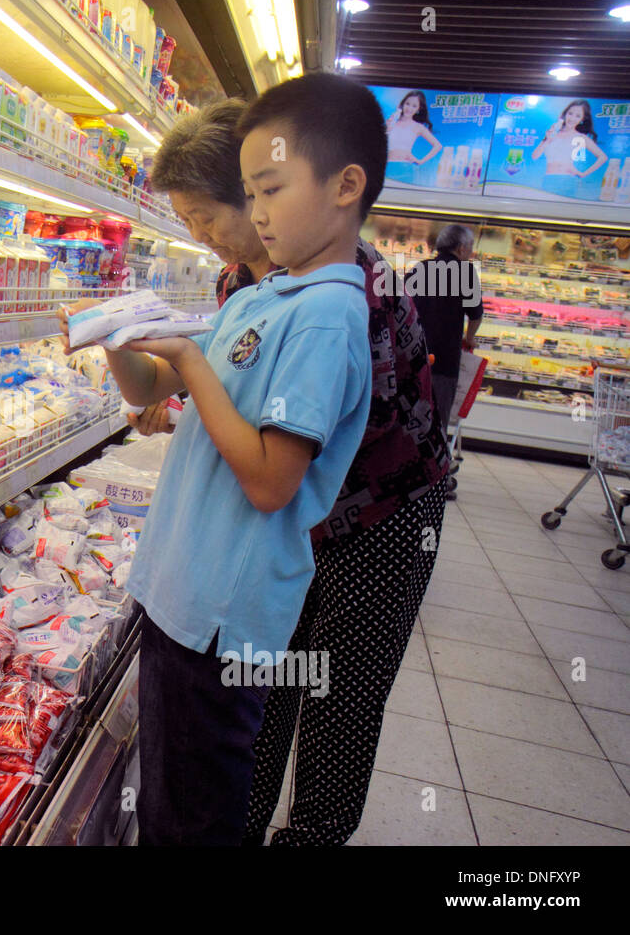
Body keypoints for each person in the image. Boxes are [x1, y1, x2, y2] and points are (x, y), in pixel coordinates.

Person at [60, 73, 382, 845]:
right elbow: (156, 386)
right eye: (251, 194)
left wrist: (194, 367)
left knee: (198, 813)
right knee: (169, 795)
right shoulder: (255, 299)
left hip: (223, 619)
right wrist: (116, 336)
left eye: (270, 191)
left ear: (346, 187)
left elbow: (273, 481)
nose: (256, 214)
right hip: (178, 594)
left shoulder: (328, 317)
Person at [126, 93, 450, 847]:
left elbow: (285, 455)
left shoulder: (343, 299)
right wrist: (178, 394)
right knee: (260, 697)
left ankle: (308, 837)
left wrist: (194, 378)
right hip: (286, 521)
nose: (204, 237)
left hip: (380, 515)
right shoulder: (250, 282)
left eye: (211, 216)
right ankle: (235, 822)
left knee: (338, 694)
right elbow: (245, 402)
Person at [406, 223, 482, 437]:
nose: (471, 252)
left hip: (414, 356)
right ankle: (433, 465)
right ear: (460, 248)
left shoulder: (419, 268)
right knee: (438, 417)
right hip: (444, 359)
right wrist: (469, 338)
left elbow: (402, 304)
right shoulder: (465, 274)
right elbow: (475, 315)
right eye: (470, 247)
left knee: (410, 414)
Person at [531, 99, 609, 198]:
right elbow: (534, 156)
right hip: (549, 179)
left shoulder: (581, 137)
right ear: (565, 114)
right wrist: (547, 140)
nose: (572, 118)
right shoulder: (553, 132)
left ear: (582, 119)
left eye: (578, 116)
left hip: (568, 181)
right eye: (570, 113)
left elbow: (603, 157)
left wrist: (583, 174)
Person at [385, 89, 442, 184]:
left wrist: (420, 161)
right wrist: (386, 128)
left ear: (418, 109)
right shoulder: (392, 121)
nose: (409, 108)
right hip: (388, 166)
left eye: (414, 106)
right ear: (403, 104)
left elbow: (437, 146)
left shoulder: (418, 127)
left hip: (405, 169)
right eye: (407, 104)